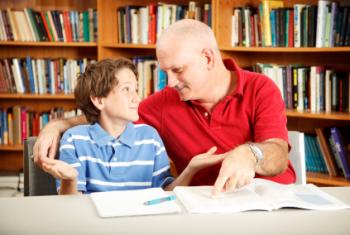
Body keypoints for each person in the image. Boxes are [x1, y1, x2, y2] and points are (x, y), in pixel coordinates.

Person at [34, 19, 296, 196]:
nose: (170, 82)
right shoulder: (164, 103)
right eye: (165, 71)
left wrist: (250, 154)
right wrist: (60, 124)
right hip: (208, 207)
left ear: (207, 58)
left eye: (178, 70)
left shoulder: (260, 88)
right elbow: (110, 116)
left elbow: (278, 154)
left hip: (270, 200)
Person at [40, 58, 224, 194]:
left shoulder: (149, 138)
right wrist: (71, 179)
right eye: (126, 90)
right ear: (98, 100)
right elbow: (71, 207)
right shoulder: (74, 140)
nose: (137, 98)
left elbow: (166, 193)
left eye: (136, 89)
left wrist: (190, 169)